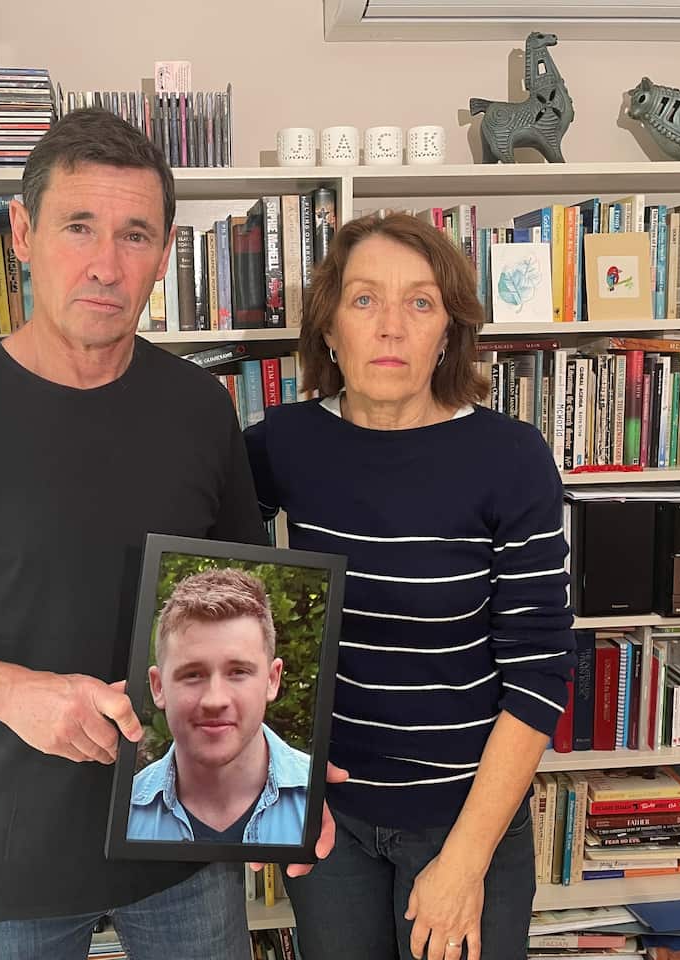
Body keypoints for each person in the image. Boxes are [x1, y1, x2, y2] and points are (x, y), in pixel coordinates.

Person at [0, 108, 337, 960]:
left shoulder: (202, 410)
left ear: (166, 253)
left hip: (186, 842)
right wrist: (10, 693)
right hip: (8, 862)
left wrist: (289, 767)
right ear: (23, 233)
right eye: (79, 227)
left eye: (135, 234)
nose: (106, 265)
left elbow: (248, 606)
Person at [244, 213, 575, 960]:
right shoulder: (286, 443)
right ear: (329, 329)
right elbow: (196, 578)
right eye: (364, 300)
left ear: (448, 333)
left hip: (464, 816)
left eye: (420, 303)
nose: (391, 327)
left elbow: (539, 671)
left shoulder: (510, 457)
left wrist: (463, 861)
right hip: (329, 819)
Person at [128, 567, 310, 845]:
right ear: (158, 686)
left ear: (272, 680)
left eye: (238, 672)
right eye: (193, 674)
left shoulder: (326, 805)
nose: (215, 700)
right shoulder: (124, 816)